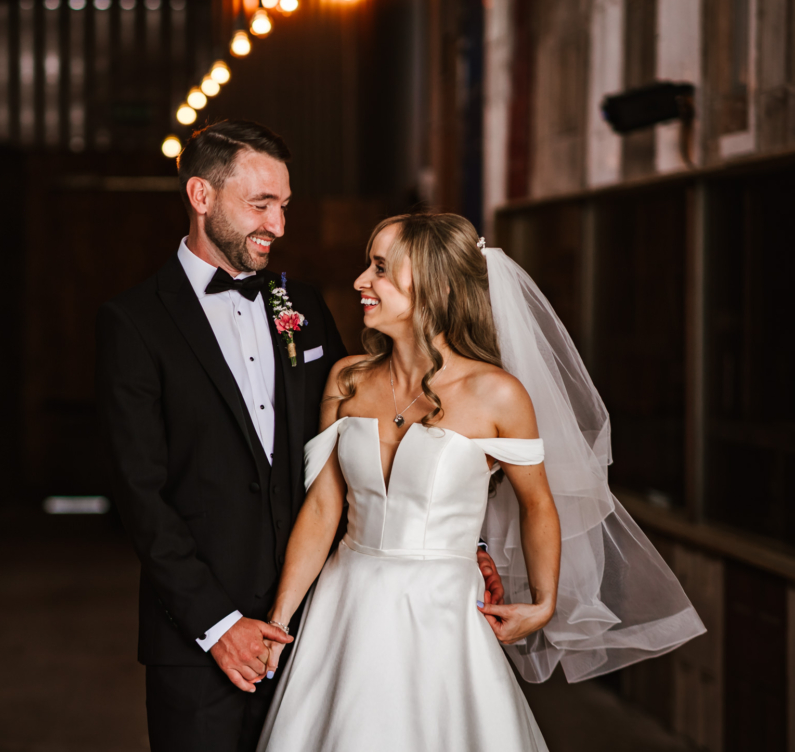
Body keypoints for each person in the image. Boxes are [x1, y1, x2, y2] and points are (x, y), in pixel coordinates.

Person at [96, 124, 506, 752]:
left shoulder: (301, 304)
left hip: (323, 624)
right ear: (201, 196)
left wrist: (458, 531)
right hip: (199, 636)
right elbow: (139, 494)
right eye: (261, 205)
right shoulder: (134, 322)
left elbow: (372, 441)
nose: (279, 225)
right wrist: (217, 623)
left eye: (284, 205)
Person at [256, 213, 706, 751]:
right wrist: (280, 620)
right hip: (343, 606)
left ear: (436, 284)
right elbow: (324, 507)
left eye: (379, 268)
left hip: (442, 614)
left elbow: (538, 503)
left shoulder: (498, 394)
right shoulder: (347, 378)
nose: (360, 282)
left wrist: (543, 602)